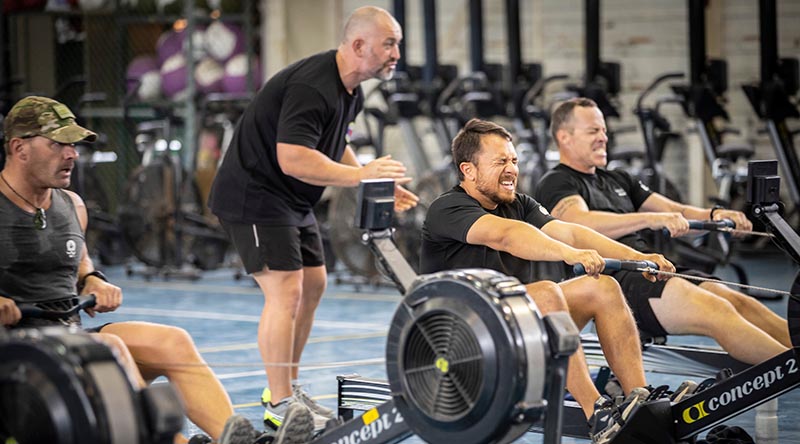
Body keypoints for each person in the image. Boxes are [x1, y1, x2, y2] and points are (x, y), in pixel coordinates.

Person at [0, 96, 314, 444]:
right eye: (58, 144)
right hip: (15, 356)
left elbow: (80, 261)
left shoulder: (71, 204)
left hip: (68, 337)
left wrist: (92, 279)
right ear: (20, 148)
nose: (71, 154)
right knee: (113, 347)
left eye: (73, 145)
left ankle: (240, 440)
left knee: (172, 341)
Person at [207, 5, 419, 434]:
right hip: (255, 194)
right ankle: (279, 400)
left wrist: (369, 183)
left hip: (290, 200)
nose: (397, 52)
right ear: (359, 45)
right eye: (390, 43)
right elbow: (292, 157)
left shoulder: (351, 91)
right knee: (285, 290)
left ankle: (289, 387)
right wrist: (361, 174)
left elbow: (333, 143)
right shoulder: (312, 86)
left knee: (314, 283)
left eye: (397, 42)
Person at [420, 118, 675, 443]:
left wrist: (638, 258)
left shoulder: (520, 204)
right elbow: (507, 236)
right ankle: (596, 412)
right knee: (544, 294)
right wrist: (569, 254)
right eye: (500, 162)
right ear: (468, 170)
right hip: (458, 343)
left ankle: (639, 400)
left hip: (505, 330)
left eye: (513, 160)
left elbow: (571, 231)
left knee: (603, 287)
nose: (511, 169)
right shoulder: (447, 208)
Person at [534, 97, 789, 365]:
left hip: (653, 266)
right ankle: (791, 371)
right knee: (717, 309)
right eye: (593, 131)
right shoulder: (557, 181)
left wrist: (715, 215)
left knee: (739, 301)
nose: (603, 138)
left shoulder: (617, 178)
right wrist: (649, 218)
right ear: (565, 137)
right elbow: (578, 222)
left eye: (604, 130)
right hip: (617, 278)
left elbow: (674, 210)